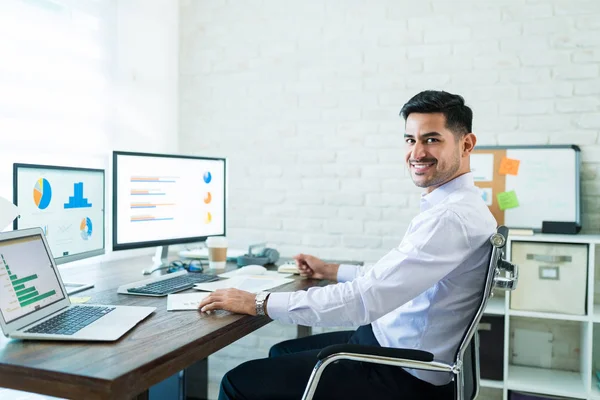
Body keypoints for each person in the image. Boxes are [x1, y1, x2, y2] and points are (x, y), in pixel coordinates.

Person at [199, 90, 497, 400]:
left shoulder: (451, 218)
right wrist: (329, 270)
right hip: (390, 343)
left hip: (402, 371)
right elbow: (387, 277)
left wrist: (258, 302)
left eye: (432, 139)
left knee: (237, 382)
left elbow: (363, 300)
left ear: (466, 144)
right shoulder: (453, 207)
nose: (417, 152)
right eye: (410, 140)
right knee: (281, 351)